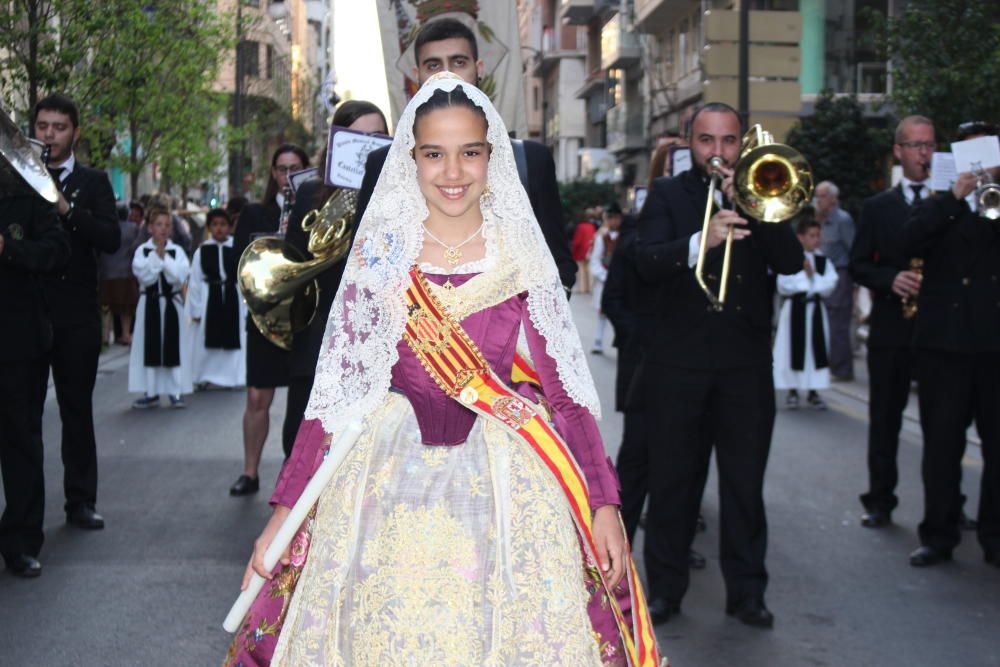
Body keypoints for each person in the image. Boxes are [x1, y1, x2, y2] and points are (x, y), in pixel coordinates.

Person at [223, 74, 660, 667]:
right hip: (384, 479)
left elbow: (566, 390)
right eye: (434, 153)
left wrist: (604, 504)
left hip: (507, 478)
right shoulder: (380, 255)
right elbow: (333, 397)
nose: (452, 172)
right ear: (411, 159)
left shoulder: (520, 252)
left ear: (490, 157)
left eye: (469, 153)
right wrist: (282, 515)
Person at [634, 102, 804, 628]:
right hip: (677, 365)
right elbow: (643, 262)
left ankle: (748, 593)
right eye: (707, 141)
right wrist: (699, 242)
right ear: (690, 144)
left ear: (741, 146)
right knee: (672, 484)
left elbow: (791, 262)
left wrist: (753, 206)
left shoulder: (761, 192)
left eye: (728, 141)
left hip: (744, 367)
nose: (718, 152)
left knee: (744, 486)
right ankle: (665, 590)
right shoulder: (667, 195)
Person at [354, 18, 576, 293]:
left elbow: (559, 263)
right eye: (433, 65)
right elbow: (362, 266)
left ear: (478, 68)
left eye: (459, 62)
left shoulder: (530, 160)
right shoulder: (382, 164)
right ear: (416, 74)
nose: (446, 75)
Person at [900, 121, 1000, 569]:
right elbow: (908, 239)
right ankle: (938, 536)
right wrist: (957, 197)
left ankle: (995, 539)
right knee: (941, 447)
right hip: (944, 344)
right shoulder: (939, 202)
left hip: (993, 345)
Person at [280, 100, 389, 459]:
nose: (365, 146)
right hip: (318, 338)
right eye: (354, 138)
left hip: (374, 339)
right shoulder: (312, 194)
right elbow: (293, 263)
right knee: (300, 447)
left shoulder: (398, 194)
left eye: (375, 137)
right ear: (336, 143)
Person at [33, 94, 120, 531]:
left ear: (75, 133)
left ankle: (81, 500)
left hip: (77, 311)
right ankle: (24, 515)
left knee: (76, 410)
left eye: (59, 127)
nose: (49, 135)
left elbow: (109, 237)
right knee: (22, 415)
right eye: (43, 126)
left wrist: (67, 209)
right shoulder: (17, 177)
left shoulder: (95, 181)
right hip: (27, 312)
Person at [850, 115, 933, 527]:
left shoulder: (949, 202)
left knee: (942, 426)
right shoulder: (878, 207)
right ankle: (880, 499)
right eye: (916, 145)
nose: (924, 153)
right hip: (890, 328)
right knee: (885, 420)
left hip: (937, 332)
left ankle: (944, 510)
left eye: (930, 145)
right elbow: (858, 264)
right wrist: (890, 279)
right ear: (899, 151)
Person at [0, 173, 71, 578]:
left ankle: (22, 540)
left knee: (21, 442)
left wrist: (8, 248)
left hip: (18, 341)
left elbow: (57, 251)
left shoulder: (31, 194)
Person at [230, 144, 310, 496]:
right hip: (265, 317)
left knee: (302, 400)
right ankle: (250, 471)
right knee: (256, 397)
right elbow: (236, 263)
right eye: (281, 169)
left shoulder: (314, 211)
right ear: (272, 173)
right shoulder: (254, 213)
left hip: (303, 319)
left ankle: (294, 472)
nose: (286, 176)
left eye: (294, 169)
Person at [773, 214, 838, 410]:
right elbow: (784, 284)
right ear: (800, 237)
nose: (816, 239)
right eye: (812, 235)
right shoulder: (791, 258)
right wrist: (804, 282)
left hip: (815, 311)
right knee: (792, 348)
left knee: (814, 350)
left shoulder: (823, 261)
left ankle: (813, 391)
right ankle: (792, 390)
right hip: (795, 309)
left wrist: (812, 277)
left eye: (818, 235)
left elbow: (830, 283)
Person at [128, 208, 192, 408]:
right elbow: (144, 275)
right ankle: (151, 390)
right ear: (149, 228)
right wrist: (158, 258)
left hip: (172, 304)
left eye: (167, 225)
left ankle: (175, 390)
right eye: (158, 224)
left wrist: (164, 259)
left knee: (173, 346)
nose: (163, 229)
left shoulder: (177, 251)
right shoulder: (142, 251)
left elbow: (180, 276)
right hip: (150, 304)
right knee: (150, 345)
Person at [186, 208, 245, 390]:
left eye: (223, 225)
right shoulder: (202, 251)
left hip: (232, 296)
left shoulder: (237, 248)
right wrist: (195, 309)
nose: (219, 229)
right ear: (209, 227)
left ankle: (233, 377)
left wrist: (246, 307)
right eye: (215, 225)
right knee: (206, 337)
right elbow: (195, 281)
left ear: (229, 227)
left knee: (233, 336)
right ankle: (204, 375)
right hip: (209, 297)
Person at [814, 180, 856, 380]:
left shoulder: (842, 220)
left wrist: (854, 282)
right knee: (826, 322)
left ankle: (841, 369)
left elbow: (852, 249)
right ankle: (830, 364)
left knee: (838, 323)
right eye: (817, 196)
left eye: (822, 196)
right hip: (822, 274)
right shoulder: (820, 219)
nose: (817, 200)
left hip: (840, 274)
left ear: (832, 199)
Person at [99, 202, 141, 345]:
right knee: (126, 308)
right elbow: (136, 246)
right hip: (125, 272)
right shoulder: (133, 229)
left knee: (106, 308)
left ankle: (105, 336)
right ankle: (125, 334)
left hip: (107, 272)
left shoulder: (108, 228)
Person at [589, 202, 622, 354]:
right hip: (605, 280)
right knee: (602, 312)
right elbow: (595, 260)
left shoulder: (626, 235)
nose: (613, 221)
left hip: (622, 280)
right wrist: (604, 275)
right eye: (610, 218)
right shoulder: (601, 237)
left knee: (621, 312)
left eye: (615, 218)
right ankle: (598, 340)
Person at [572, 207, 599, 294]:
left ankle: (583, 288)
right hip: (590, 249)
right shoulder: (592, 226)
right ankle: (590, 287)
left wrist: (573, 250)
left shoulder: (580, 227)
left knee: (581, 270)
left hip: (581, 251)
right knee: (589, 270)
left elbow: (577, 241)